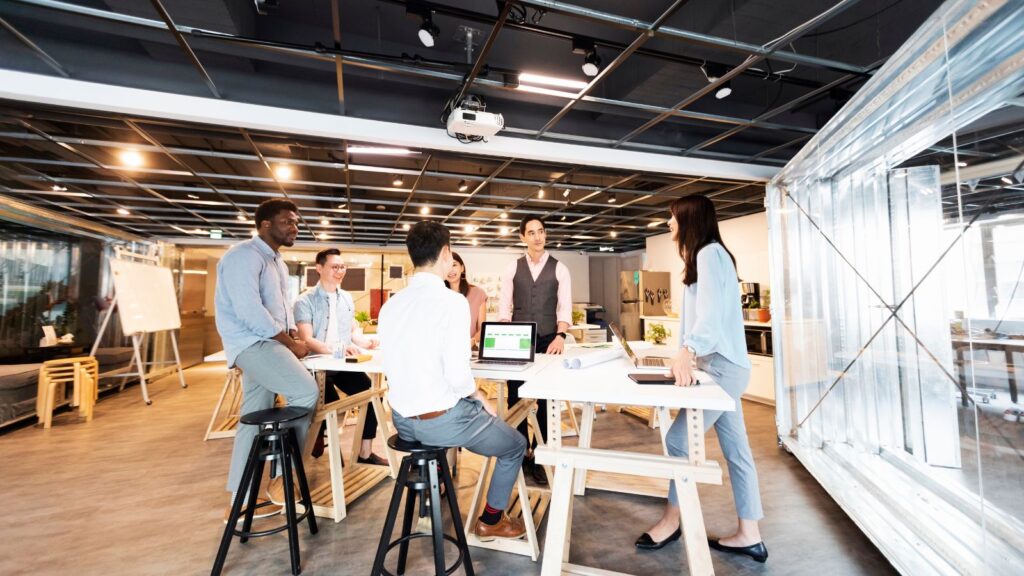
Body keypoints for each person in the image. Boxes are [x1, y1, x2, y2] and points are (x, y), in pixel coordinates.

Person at [635, 195, 767, 563]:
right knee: (737, 451)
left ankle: (672, 520)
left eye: (673, 217)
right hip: (722, 366)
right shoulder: (707, 256)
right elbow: (701, 318)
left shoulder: (709, 254)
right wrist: (685, 352)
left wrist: (689, 350)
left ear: (690, 219)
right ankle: (750, 534)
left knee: (679, 440)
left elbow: (709, 316)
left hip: (722, 368)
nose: (668, 223)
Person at [379, 221, 527, 541]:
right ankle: (491, 520)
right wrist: (478, 396)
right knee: (515, 445)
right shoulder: (453, 302)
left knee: (452, 410)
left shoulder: (391, 305)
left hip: (402, 421)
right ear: (446, 253)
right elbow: (459, 376)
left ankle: (436, 484)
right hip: (440, 423)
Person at [214, 198, 318, 522]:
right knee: (306, 392)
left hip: (269, 343)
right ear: (265, 225)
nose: (294, 227)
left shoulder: (277, 263)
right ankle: (282, 477)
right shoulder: (243, 256)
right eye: (287, 221)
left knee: (254, 416)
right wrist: (291, 344)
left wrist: (293, 334)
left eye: (296, 222)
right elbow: (250, 312)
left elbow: (279, 309)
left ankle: (240, 500)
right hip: (253, 343)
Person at [294, 248, 388, 466]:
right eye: (334, 267)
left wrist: (363, 342)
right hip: (316, 366)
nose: (340, 271)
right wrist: (338, 349)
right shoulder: (305, 300)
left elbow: (351, 330)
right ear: (319, 268)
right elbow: (307, 339)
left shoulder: (346, 297)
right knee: (330, 405)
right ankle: (319, 438)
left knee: (372, 395)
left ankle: (365, 453)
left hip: (343, 364)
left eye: (342, 267)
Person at [498, 216, 572, 485]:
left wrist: (561, 336)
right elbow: (504, 306)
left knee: (546, 400)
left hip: (549, 340)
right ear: (522, 237)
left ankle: (541, 455)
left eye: (541, 231)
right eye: (531, 233)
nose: (538, 237)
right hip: (518, 341)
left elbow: (564, 306)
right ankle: (520, 451)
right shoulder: (512, 268)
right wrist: (504, 336)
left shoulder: (560, 268)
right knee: (515, 397)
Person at [444, 252, 487, 347]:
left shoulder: (478, 293)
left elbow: (482, 329)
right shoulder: (439, 295)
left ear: (462, 268)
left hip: (469, 350)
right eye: (447, 266)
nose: (450, 270)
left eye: (454, 265)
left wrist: (472, 340)